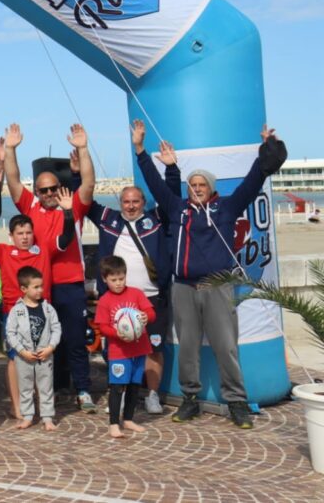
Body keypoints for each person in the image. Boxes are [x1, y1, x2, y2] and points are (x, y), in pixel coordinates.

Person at [133, 120, 287, 428]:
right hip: (184, 288)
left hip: (218, 287)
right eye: (193, 184)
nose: (197, 188)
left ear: (212, 188)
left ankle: (236, 401)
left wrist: (267, 149)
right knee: (188, 346)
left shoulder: (228, 209)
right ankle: (191, 399)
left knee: (225, 346)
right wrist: (140, 150)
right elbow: (154, 183)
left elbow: (254, 179)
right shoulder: (178, 208)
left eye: (202, 184)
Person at [3, 123, 96, 412]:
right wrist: (10, 149)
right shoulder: (30, 207)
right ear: (37, 190)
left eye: (53, 188)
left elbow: (90, 185)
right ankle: (49, 393)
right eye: (43, 189)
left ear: (60, 188)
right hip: (38, 288)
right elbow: (13, 180)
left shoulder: (72, 206)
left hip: (69, 284)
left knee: (76, 341)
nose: (48, 193)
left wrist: (82, 148)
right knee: (41, 343)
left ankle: (82, 390)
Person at [0, 194, 73, 419]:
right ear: (11, 236)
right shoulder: (3, 251)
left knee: (43, 359)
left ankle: (43, 405)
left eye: (28, 233)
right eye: (19, 234)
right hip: (14, 312)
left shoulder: (44, 249)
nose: (24, 237)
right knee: (16, 359)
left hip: (42, 311)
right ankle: (18, 405)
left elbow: (66, 237)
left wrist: (68, 212)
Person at [87, 178, 177, 414]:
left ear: (143, 202)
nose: (130, 206)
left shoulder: (155, 219)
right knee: (117, 349)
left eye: (135, 201)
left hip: (152, 297)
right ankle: (121, 393)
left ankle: (152, 395)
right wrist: (79, 165)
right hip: (116, 300)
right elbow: (85, 201)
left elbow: (171, 196)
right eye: (126, 202)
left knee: (154, 349)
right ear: (120, 203)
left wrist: (170, 170)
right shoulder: (109, 219)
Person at [94, 256, 156, 438]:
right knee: (117, 387)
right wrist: (116, 333)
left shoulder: (136, 293)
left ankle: (128, 419)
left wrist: (146, 317)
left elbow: (150, 312)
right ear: (105, 279)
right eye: (114, 280)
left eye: (121, 278)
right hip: (119, 352)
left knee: (134, 386)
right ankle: (114, 423)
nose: (118, 283)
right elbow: (103, 327)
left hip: (139, 349)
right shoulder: (105, 300)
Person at [4, 267, 61, 432]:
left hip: (45, 356)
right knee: (25, 388)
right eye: (35, 287)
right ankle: (27, 416)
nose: (40, 290)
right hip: (24, 357)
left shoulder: (48, 309)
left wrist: (50, 347)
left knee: (46, 387)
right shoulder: (16, 310)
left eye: (41, 286)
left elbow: (56, 329)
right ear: (24, 289)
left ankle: (47, 417)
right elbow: (10, 333)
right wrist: (22, 351)